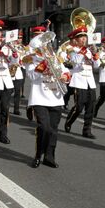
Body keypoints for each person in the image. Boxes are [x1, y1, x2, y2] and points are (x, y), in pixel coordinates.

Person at [24, 31, 70, 168]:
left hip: (55, 97)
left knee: (53, 130)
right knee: (44, 127)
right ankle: (38, 155)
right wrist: (44, 63)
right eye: (44, 44)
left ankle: (49, 157)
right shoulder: (30, 59)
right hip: (39, 98)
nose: (47, 46)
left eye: (48, 43)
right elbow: (32, 77)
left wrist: (65, 77)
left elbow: (65, 71)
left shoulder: (54, 58)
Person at [63, 27, 98, 138]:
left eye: (85, 37)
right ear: (76, 39)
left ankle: (87, 130)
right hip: (79, 81)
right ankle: (69, 121)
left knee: (90, 107)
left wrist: (95, 56)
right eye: (81, 37)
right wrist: (83, 52)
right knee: (78, 107)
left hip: (90, 82)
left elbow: (96, 66)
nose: (84, 39)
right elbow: (75, 61)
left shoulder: (89, 50)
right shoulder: (71, 49)